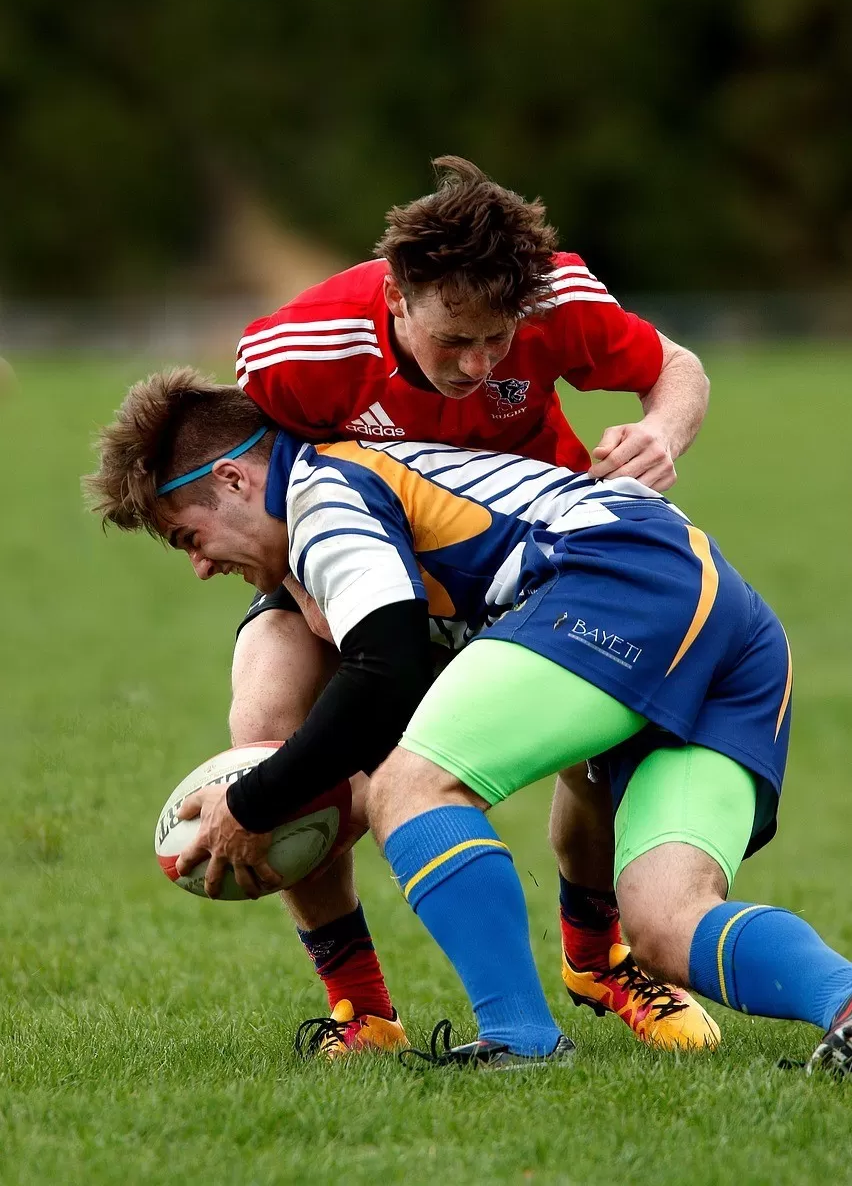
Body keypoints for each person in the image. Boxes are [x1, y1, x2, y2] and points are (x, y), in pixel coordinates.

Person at [85, 374, 852, 1078]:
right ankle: (845, 1005)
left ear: (232, 479)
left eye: (189, 536)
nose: (199, 566)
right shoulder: (338, 523)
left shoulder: (323, 491)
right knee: (664, 919)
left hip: (619, 578)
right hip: (734, 633)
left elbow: (381, 674)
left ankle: (521, 1041)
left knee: (412, 790)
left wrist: (252, 803)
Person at [224, 156, 711, 1053]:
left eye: (498, 341)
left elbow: (675, 368)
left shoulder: (557, 298)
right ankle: (361, 1009)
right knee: (267, 721)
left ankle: (599, 961)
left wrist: (659, 432)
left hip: (530, 556)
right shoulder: (298, 350)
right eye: (455, 340)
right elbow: (258, 486)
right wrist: (299, 587)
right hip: (360, 568)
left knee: (597, 757)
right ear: (399, 295)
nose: (480, 364)